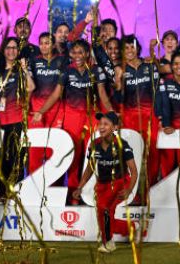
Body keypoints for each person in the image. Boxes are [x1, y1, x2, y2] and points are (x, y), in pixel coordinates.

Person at [33, 40, 114, 204]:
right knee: (73, 155)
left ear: (87, 54)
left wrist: (112, 114)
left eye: (81, 52)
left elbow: (102, 95)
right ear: (71, 54)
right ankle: (73, 192)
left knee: (93, 154)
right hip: (72, 117)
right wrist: (41, 111)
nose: (77, 56)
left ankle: (92, 193)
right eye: (74, 52)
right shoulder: (66, 71)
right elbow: (56, 94)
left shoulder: (96, 70)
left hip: (92, 116)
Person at [73, 111, 138, 253]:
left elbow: (134, 171)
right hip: (102, 185)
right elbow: (90, 168)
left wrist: (129, 190)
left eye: (106, 124)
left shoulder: (122, 145)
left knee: (106, 212)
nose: (101, 127)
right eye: (100, 124)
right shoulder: (94, 144)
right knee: (102, 216)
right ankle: (130, 227)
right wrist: (80, 187)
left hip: (120, 183)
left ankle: (108, 243)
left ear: (115, 127)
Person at [115, 34, 161, 186]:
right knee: (131, 154)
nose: (130, 50)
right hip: (130, 118)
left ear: (138, 49)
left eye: (132, 47)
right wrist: (118, 82)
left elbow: (158, 92)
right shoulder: (120, 69)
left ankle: (150, 188)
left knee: (152, 153)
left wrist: (161, 116)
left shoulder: (149, 65)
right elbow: (118, 98)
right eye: (126, 48)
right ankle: (132, 191)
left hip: (150, 117)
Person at [0, 37, 35, 201]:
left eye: (14, 48)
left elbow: (31, 87)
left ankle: (14, 192)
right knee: (1, 159)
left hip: (16, 120)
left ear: (18, 51)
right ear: (3, 51)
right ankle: (1, 192)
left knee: (15, 158)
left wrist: (24, 69)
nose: (11, 51)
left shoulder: (20, 70)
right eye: (8, 48)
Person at [28, 32, 67, 173]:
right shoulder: (33, 61)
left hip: (56, 109)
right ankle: (34, 182)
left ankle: (54, 183)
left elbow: (59, 91)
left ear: (54, 45)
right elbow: (29, 86)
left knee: (53, 148)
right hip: (36, 109)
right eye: (41, 43)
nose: (44, 46)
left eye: (47, 43)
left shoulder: (62, 61)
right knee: (35, 149)